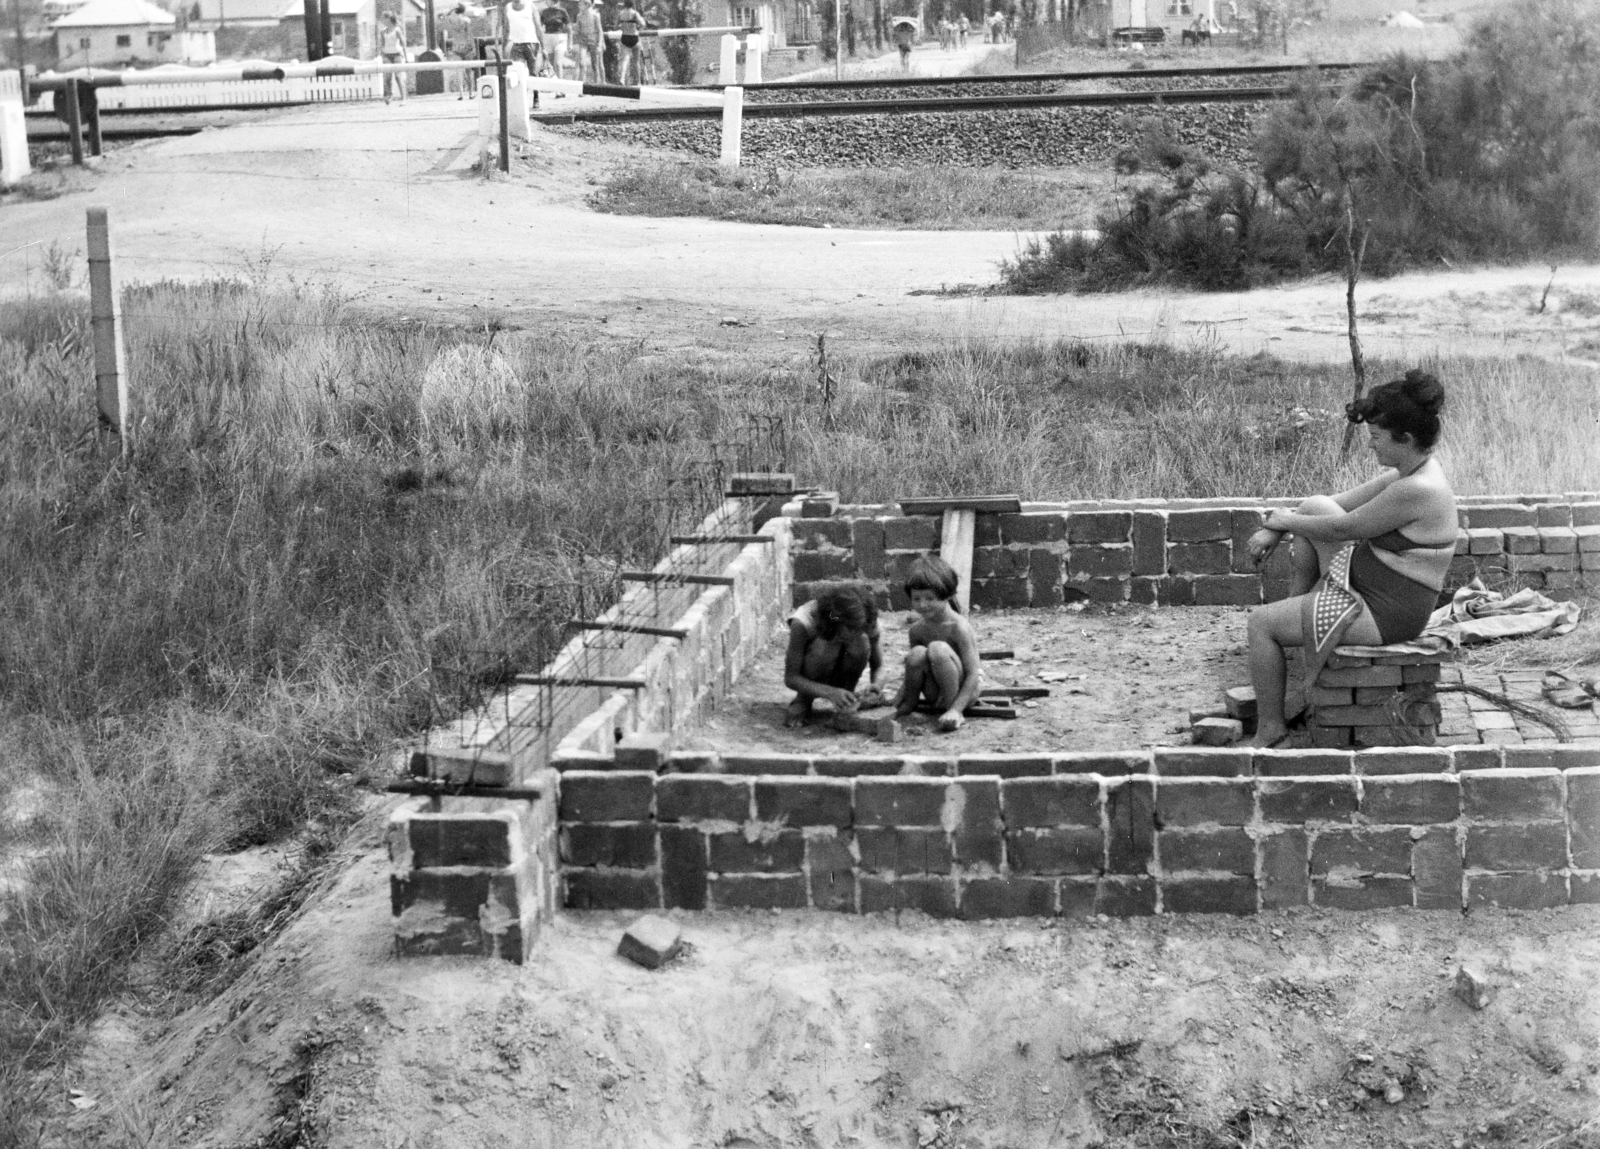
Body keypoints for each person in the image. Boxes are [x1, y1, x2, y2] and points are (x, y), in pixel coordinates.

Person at [1243, 370, 1457, 747]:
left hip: (1386, 614)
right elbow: (1334, 507)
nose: (1370, 446)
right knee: (1315, 505)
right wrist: (1279, 527)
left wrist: (1277, 521)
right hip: (1369, 583)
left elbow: (1344, 529)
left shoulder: (1417, 488)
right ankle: (1294, 621)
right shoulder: (1410, 471)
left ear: (1405, 439)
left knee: (1260, 624)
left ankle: (1270, 727)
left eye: (1376, 437)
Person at [893, 556, 983, 732]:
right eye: (916, 598)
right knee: (917, 653)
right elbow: (914, 670)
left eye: (930, 598)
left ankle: (954, 713)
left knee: (937, 649)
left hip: (964, 693)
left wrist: (957, 709)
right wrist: (898, 699)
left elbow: (973, 674)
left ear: (947, 595)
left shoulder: (959, 627)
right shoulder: (916, 631)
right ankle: (909, 705)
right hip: (935, 694)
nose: (922, 605)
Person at [783, 584, 885, 727]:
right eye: (849, 629)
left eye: (859, 629)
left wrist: (876, 686)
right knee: (824, 646)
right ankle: (804, 699)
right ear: (835, 622)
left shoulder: (866, 620)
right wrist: (830, 693)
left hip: (844, 677)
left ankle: (847, 698)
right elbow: (791, 677)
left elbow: (878, 665)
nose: (856, 633)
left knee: (861, 642)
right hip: (813, 674)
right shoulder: (805, 621)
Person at [503, 0, 542, 76]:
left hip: (532, 43)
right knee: (518, 72)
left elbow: (538, 27)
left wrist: (543, 47)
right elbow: (506, 29)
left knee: (534, 73)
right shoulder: (508, 8)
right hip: (516, 45)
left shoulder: (531, 5)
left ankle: (535, 88)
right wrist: (504, 47)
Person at [379, 12, 408, 104]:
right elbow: (382, 44)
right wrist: (381, 55)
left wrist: (406, 57)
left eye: (384, 18)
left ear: (388, 19)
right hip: (387, 55)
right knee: (387, 76)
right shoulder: (383, 31)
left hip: (397, 54)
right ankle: (389, 95)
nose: (382, 21)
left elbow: (403, 44)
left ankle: (403, 98)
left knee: (398, 76)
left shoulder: (397, 30)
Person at [573, 0, 605, 81]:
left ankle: (596, 85)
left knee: (595, 65)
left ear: (587, 5)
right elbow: (578, 31)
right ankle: (582, 86)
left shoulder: (595, 15)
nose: (579, 5)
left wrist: (600, 44)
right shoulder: (579, 16)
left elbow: (599, 30)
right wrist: (576, 42)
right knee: (582, 63)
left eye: (581, 4)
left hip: (593, 41)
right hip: (583, 42)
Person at [540, 0, 571, 77]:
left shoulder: (562, 12)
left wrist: (570, 43)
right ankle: (553, 86)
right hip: (548, 38)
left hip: (560, 38)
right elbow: (539, 26)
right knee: (550, 65)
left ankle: (560, 86)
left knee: (557, 63)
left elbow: (569, 28)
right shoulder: (544, 12)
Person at [616, 0, 645, 82]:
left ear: (624, 4)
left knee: (625, 60)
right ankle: (638, 81)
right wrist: (637, 26)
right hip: (634, 37)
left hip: (625, 37)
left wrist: (623, 26)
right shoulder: (635, 13)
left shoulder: (621, 13)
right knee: (636, 62)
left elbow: (615, 26)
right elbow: (643, 24)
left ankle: (622, 78)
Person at [600, 0, 621, 81]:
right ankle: (610, 77)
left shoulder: (616, 10)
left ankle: (614, 77)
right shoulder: (605, 9)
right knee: (607, 57)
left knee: (614, 57)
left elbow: (617, 23)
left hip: (613, 36)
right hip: (607, 35)